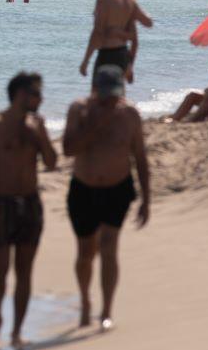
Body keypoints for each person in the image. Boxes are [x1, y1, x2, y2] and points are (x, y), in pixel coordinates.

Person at [61, 65, 151, 330]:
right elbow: (68, 149)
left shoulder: (130, 114)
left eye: (115, 94)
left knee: (110, 247)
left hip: (117, 188)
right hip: (83, 188)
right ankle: (86, 301)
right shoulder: (79, 110)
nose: (111, 100)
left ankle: (106, 310)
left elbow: (141, 158)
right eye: (105, 95)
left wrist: (147, 199)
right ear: (94, 90)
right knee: (86, 251)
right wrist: (94, 126)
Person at [0, 72, 58, 347]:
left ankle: (17, 331)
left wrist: (41, 135)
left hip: (30, 203)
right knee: (0, 271)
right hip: (0, 204)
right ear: (20, 94)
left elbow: (52, 163)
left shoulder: (37, 124)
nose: (41, 98)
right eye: (35, 93)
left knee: (25, 271)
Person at [79, 0, 153, 85]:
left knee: (98, 98)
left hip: (106, 55)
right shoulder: (129, 0)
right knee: (117, 98)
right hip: (122, 55)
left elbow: (97, 32)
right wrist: (130, 65)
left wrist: (86, 61)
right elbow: (148, 22)